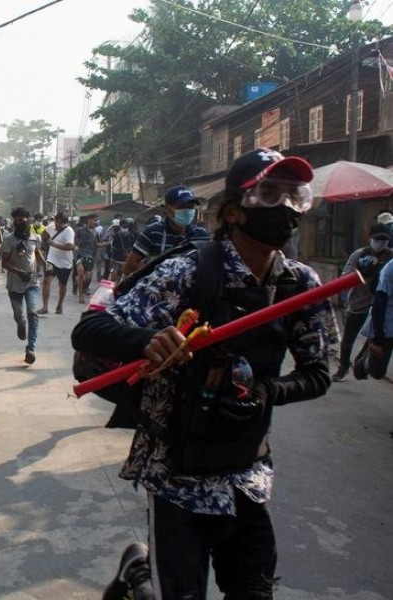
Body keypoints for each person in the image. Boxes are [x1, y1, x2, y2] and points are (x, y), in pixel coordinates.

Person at [77, 148, 337, 598]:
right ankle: (140, 576)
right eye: (269, 195)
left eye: (292, 195)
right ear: (233, 212)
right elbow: (89, 329)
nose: (284, 208)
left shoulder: (299, 285)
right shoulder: (189, 271)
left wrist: (267, 391)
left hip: (248, 473)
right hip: (176, 474)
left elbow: (318, 373)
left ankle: (140, 572)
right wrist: (147, 340)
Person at [333, 224, 393, 381]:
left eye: (384, 240)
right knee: (348, 339)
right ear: (370, 239)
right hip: (359, 304)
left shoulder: (390, 259)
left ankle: (363, 359)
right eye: (378, 239)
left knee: (375, 337)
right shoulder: (359, 255)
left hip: (380, 306)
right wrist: (362, 273)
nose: (381, 243)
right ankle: (343, 367)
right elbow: (344, 278)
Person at [122, 186, 210, 278]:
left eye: (190, 207)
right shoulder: (152, 232)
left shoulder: (202, 236)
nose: (187, 211)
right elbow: (128, 268)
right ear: (167, 209)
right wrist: (158, 271)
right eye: (181, 207)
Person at [1, 206, 46, 365]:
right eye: (17, 220)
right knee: (19, 316)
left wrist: (45, 264)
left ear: (29, 220)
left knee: (32, 313)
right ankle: (20, 324)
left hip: (32, 283)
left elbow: (37, 252)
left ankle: (31, 348)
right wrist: (19, 272)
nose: (19, 222)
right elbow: (4, 262)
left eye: (22, 219)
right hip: (14, 284)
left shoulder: (36, 238)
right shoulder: (8, 240)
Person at [353, 248, 393, 380]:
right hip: (386, 325)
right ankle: (364, 361)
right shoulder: (389, 270)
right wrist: (377, 339)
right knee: (377, 372)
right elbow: (378, 306)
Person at [40, 211, 75, 315]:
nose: (59, 225)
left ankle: (59, 305)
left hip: (65, 263)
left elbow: (70, 246)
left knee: (62, 285)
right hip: (51, 259)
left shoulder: (69, 231)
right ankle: (45, 307)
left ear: (65, 223)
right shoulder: (51, 226)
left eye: (61, 223)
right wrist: (44, 240)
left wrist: (53, 244)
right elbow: (43, 235)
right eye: (57, 222)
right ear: (55, 220)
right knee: (46, 281)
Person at [74, 215, 99, 303]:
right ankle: (80, 296)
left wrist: (106, 243)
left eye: (97, 220)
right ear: (89, 220)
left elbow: (96, 244)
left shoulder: (96, 232)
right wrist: (75, 246)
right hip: (80, 255)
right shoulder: (79, 230)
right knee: (81, 274)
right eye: (94, 220)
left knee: (87, 278)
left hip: (90, 256)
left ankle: (79, 283)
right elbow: (73, 241)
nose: (96, 222)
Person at [108, 218, 137, 284]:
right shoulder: (131, 235)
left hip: (118, 259)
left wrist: (112, 258)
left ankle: (113, 287)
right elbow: (133, 247)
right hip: (125, 259)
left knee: (114, 276)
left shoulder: (116, 235)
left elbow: (112, 247)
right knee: (120, 276)